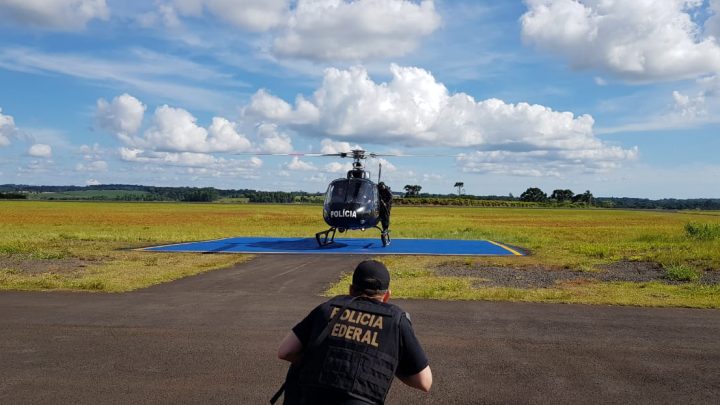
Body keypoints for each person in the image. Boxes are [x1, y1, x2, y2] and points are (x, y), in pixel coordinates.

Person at [276, 260, 432, 404]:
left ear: (351, 289)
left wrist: (317, 360)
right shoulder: (396, 320)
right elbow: (425, 382)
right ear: (387, 296)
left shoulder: (327, 308)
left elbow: (285, 351)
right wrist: (384, 365)